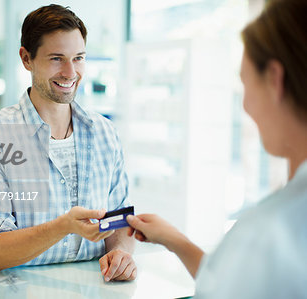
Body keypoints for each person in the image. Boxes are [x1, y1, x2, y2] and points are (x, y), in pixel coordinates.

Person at [126, 0, 307, 297]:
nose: (246, 106)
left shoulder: (269, 234)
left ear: (275, 80)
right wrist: (174, 239)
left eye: (245, 84)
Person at [0, 4, 136, 281]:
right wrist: (63, 227)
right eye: (57, 59)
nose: (70, 72)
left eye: (78, 58)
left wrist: (121, 253)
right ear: (26, 59)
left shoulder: (105, 132)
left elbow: (119, 221)